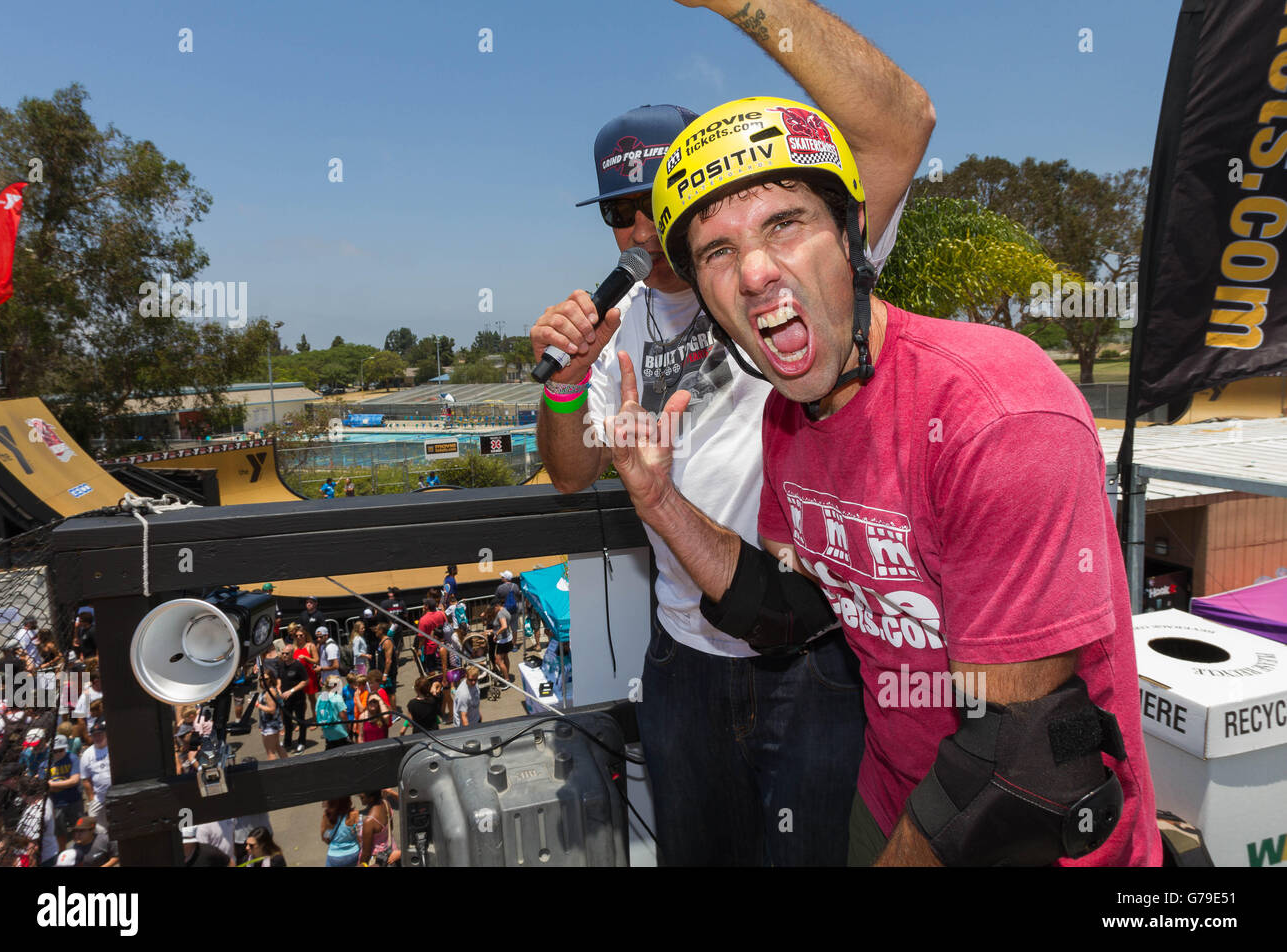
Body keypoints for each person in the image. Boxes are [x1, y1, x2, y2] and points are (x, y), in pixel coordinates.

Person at [619, 96, 1163, 866]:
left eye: (784, 224)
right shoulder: (789, 419)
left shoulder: (995, 412)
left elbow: (1024, 757)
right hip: (894, 803)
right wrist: (660, 500)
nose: (753, 271)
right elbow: (787, 612)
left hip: (1033, 837)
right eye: (716, 251)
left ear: (851, 240)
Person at [529, 0, 932, 866]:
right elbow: (568, 475)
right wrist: (566, 382)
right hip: (684, 657)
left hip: (816, 655)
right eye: (616, 215)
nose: (638, 231)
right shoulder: (619, 323)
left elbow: (901, 129)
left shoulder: (784, 268)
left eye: (652, 202)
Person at [46, 734, 82, 851]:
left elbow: (75, 780)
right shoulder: (46, 763)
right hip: (56, 804)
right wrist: (66, 784)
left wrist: (53, 785)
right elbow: (45, 787)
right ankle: (62, 854)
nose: (57, 753)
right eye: (54, 751)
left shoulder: (72, 758)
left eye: (60, 750)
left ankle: (81, 852)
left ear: (65, 748)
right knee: (60, 833)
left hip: (73, 801)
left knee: (79, 828)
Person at [275, 643, 310, 754]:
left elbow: (305, 681)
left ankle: (302, 742)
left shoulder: (298, 666)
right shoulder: (281, 664)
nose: (284, 655)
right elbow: (279, 678)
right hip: (285, 699)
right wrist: (279, 688)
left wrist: (291, 691)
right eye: (283, 653)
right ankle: (287, 742)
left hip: (298, 698)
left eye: (287, 653)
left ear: (292, 654)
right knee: (287, 721)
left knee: (300, 720)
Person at [78, 718, 111, 831]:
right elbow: (86, 779)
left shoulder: (113, 747)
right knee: (95, 826)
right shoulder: (87, 754)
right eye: (95, 735)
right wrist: (91, 799)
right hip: (99, 797)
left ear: (105, 734)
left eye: (100, 734)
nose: (97, 737)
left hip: (116, 793)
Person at [357, 791, 400, 866]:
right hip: (391, 851)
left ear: (371, 798)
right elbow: (391, 827)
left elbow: (366, 853)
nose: (359, 797)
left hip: (377, 860)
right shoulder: (386, 803)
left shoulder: (369, 821)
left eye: (362, 797)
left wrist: (362, 864)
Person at [256, 666, 287, 760]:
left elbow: (272, 709)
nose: (263, 681)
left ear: (271, 679)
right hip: (271, 725)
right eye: (261, 679)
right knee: (277, 746)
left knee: (270, 753)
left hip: (270, 726)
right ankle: (288, 764)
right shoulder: (271, 690)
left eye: (265, 679)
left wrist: (257, 705)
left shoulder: (270, 692)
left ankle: (274, 773)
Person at [321, 797, 360, 867]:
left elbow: (324, 837)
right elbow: (359, 835)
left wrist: (330, 834)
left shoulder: (327, 816)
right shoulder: (354, 814)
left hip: (334, 857)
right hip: (353, 853)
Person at [317, 674, 351, 750]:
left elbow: (317, 713)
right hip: (339, 731)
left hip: (327, 731)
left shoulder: (321, 697)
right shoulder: (337, 698)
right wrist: (348, 725)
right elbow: (343, 715)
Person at [490, 599, 513, 681]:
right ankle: (507, 674)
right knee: (505, 657)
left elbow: (504, 626)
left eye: (493, 608)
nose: (493, 610)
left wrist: (496, 634)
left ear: (497, 606)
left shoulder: (500, 614)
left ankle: (506, 679)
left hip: (503, 640)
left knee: (498, 661)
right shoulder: (505, 609)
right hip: (507, 638)